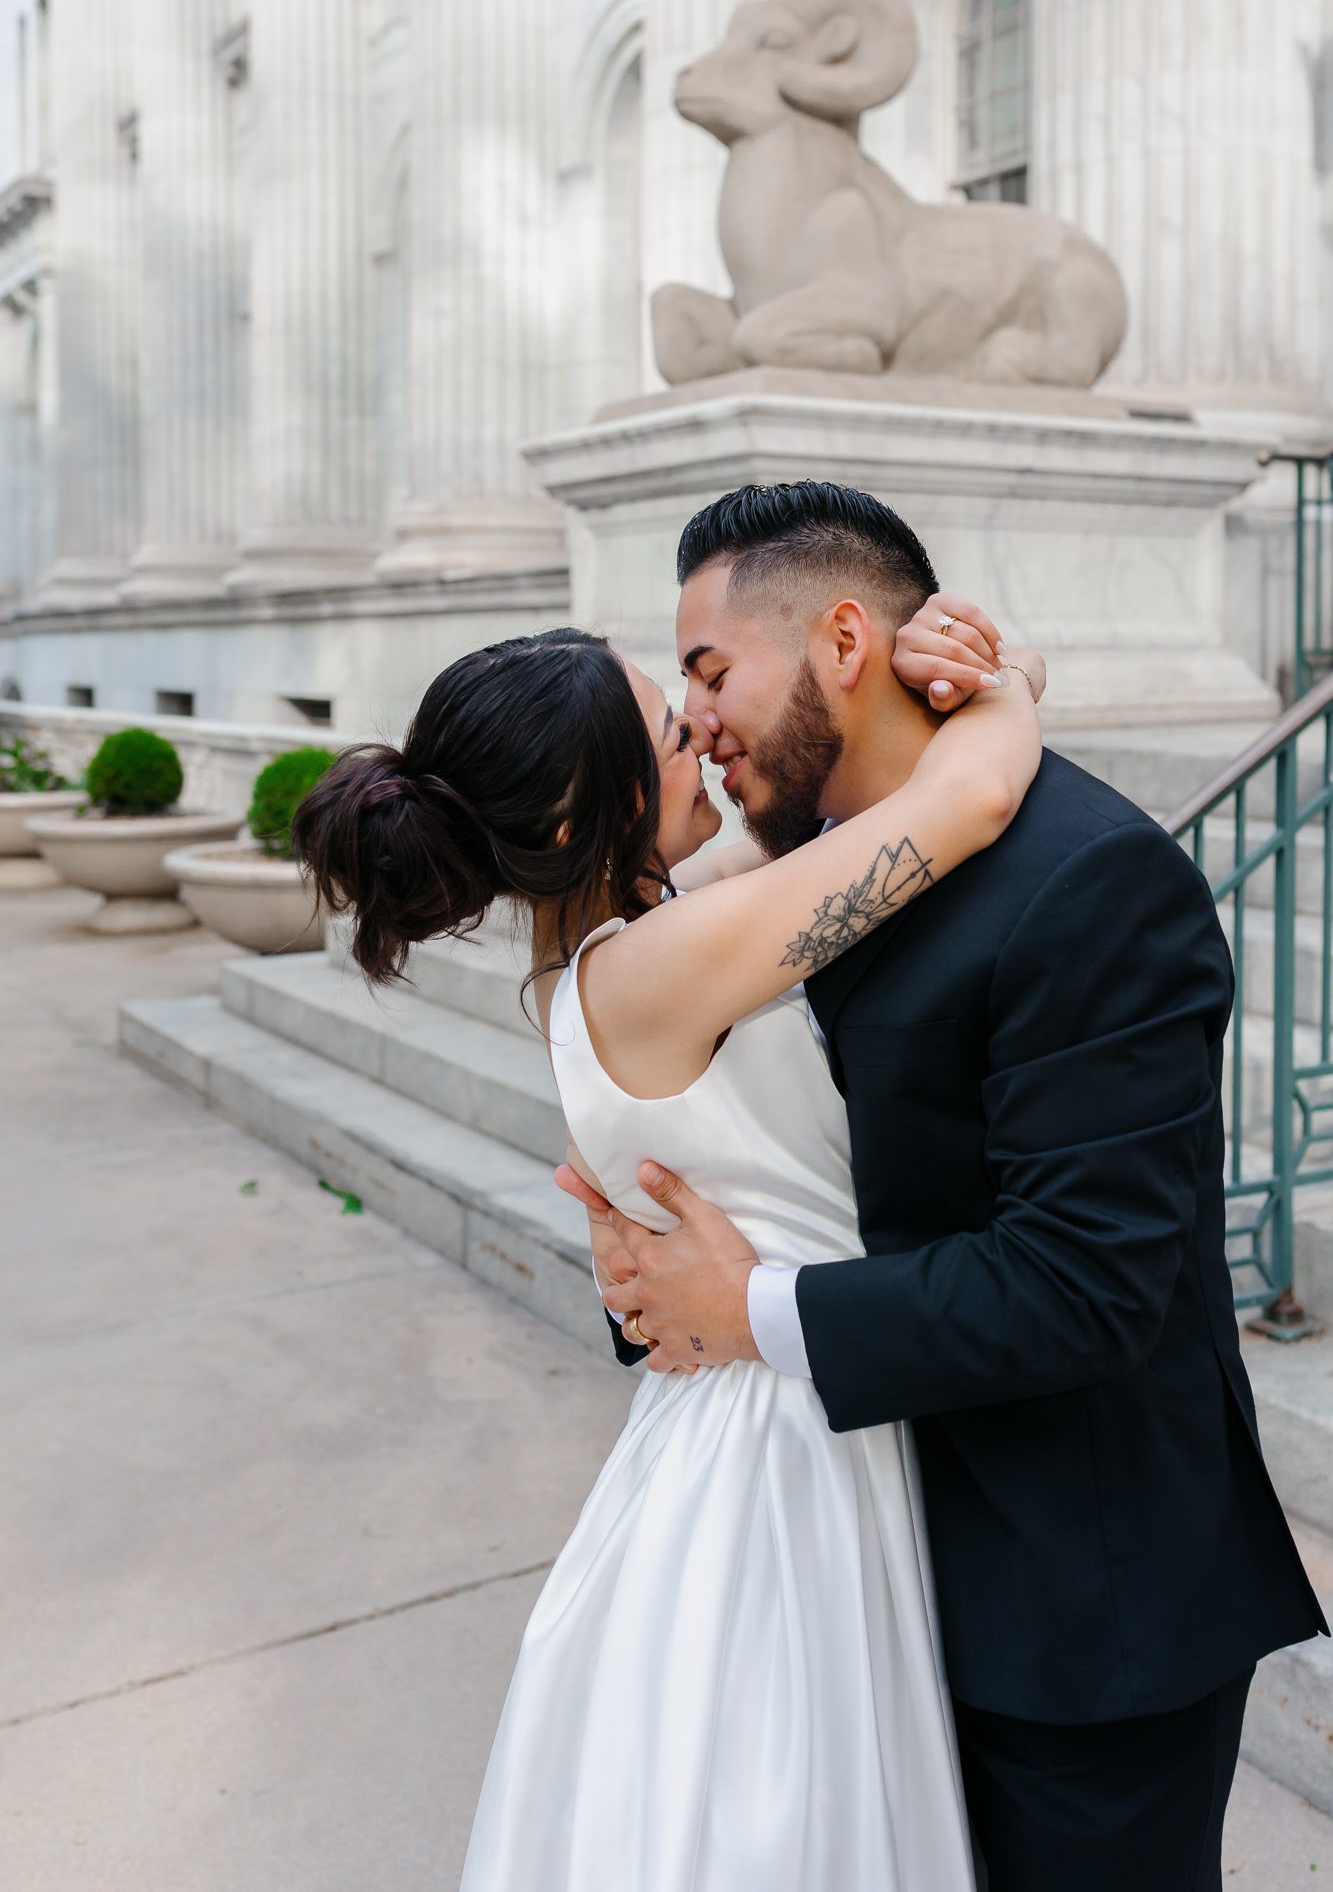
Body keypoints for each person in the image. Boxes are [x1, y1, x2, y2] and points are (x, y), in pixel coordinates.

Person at [559, 481, 1327, 1892]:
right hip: (858, 1580)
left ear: (845, 640)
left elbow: (1081, 1285)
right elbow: (774, 1174)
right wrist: (655, 1280)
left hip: (1071, 1616)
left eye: (711, 670)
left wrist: (751, 1307)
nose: (698, 715)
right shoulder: (795, 886)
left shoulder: (1087, 881)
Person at [290, 557, 1046, 1887]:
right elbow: (971, 799)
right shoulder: (658, 966)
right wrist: (1011, 684)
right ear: (594, 804)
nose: (697, 734)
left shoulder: (619, 952)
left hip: (754, 1403)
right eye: (664, 728)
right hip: (776, 1452)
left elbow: (826, 829)